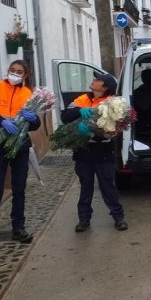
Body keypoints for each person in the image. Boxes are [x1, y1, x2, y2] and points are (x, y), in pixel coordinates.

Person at [0, 60, 41, 254]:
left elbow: (35, 124)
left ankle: (18, 228)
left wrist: (34, 119)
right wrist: (1, 122)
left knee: (19, 189)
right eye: (12, 70)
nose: (14, 74)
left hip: (20, 146)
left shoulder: (29, 94)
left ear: (25, 75)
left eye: (19, 71)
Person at [61, 71, 128, 232]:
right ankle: (84, 219)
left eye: (98, 80)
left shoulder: (112, 103)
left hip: (103, 151)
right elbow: (65, 116)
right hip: (83, 151)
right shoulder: (82, 99)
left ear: (105, 87)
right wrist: (78, 112)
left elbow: (113, 130)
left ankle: (119, 217)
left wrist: (93, 133)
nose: (93, 81)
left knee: (108, 186)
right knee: (86, 186)